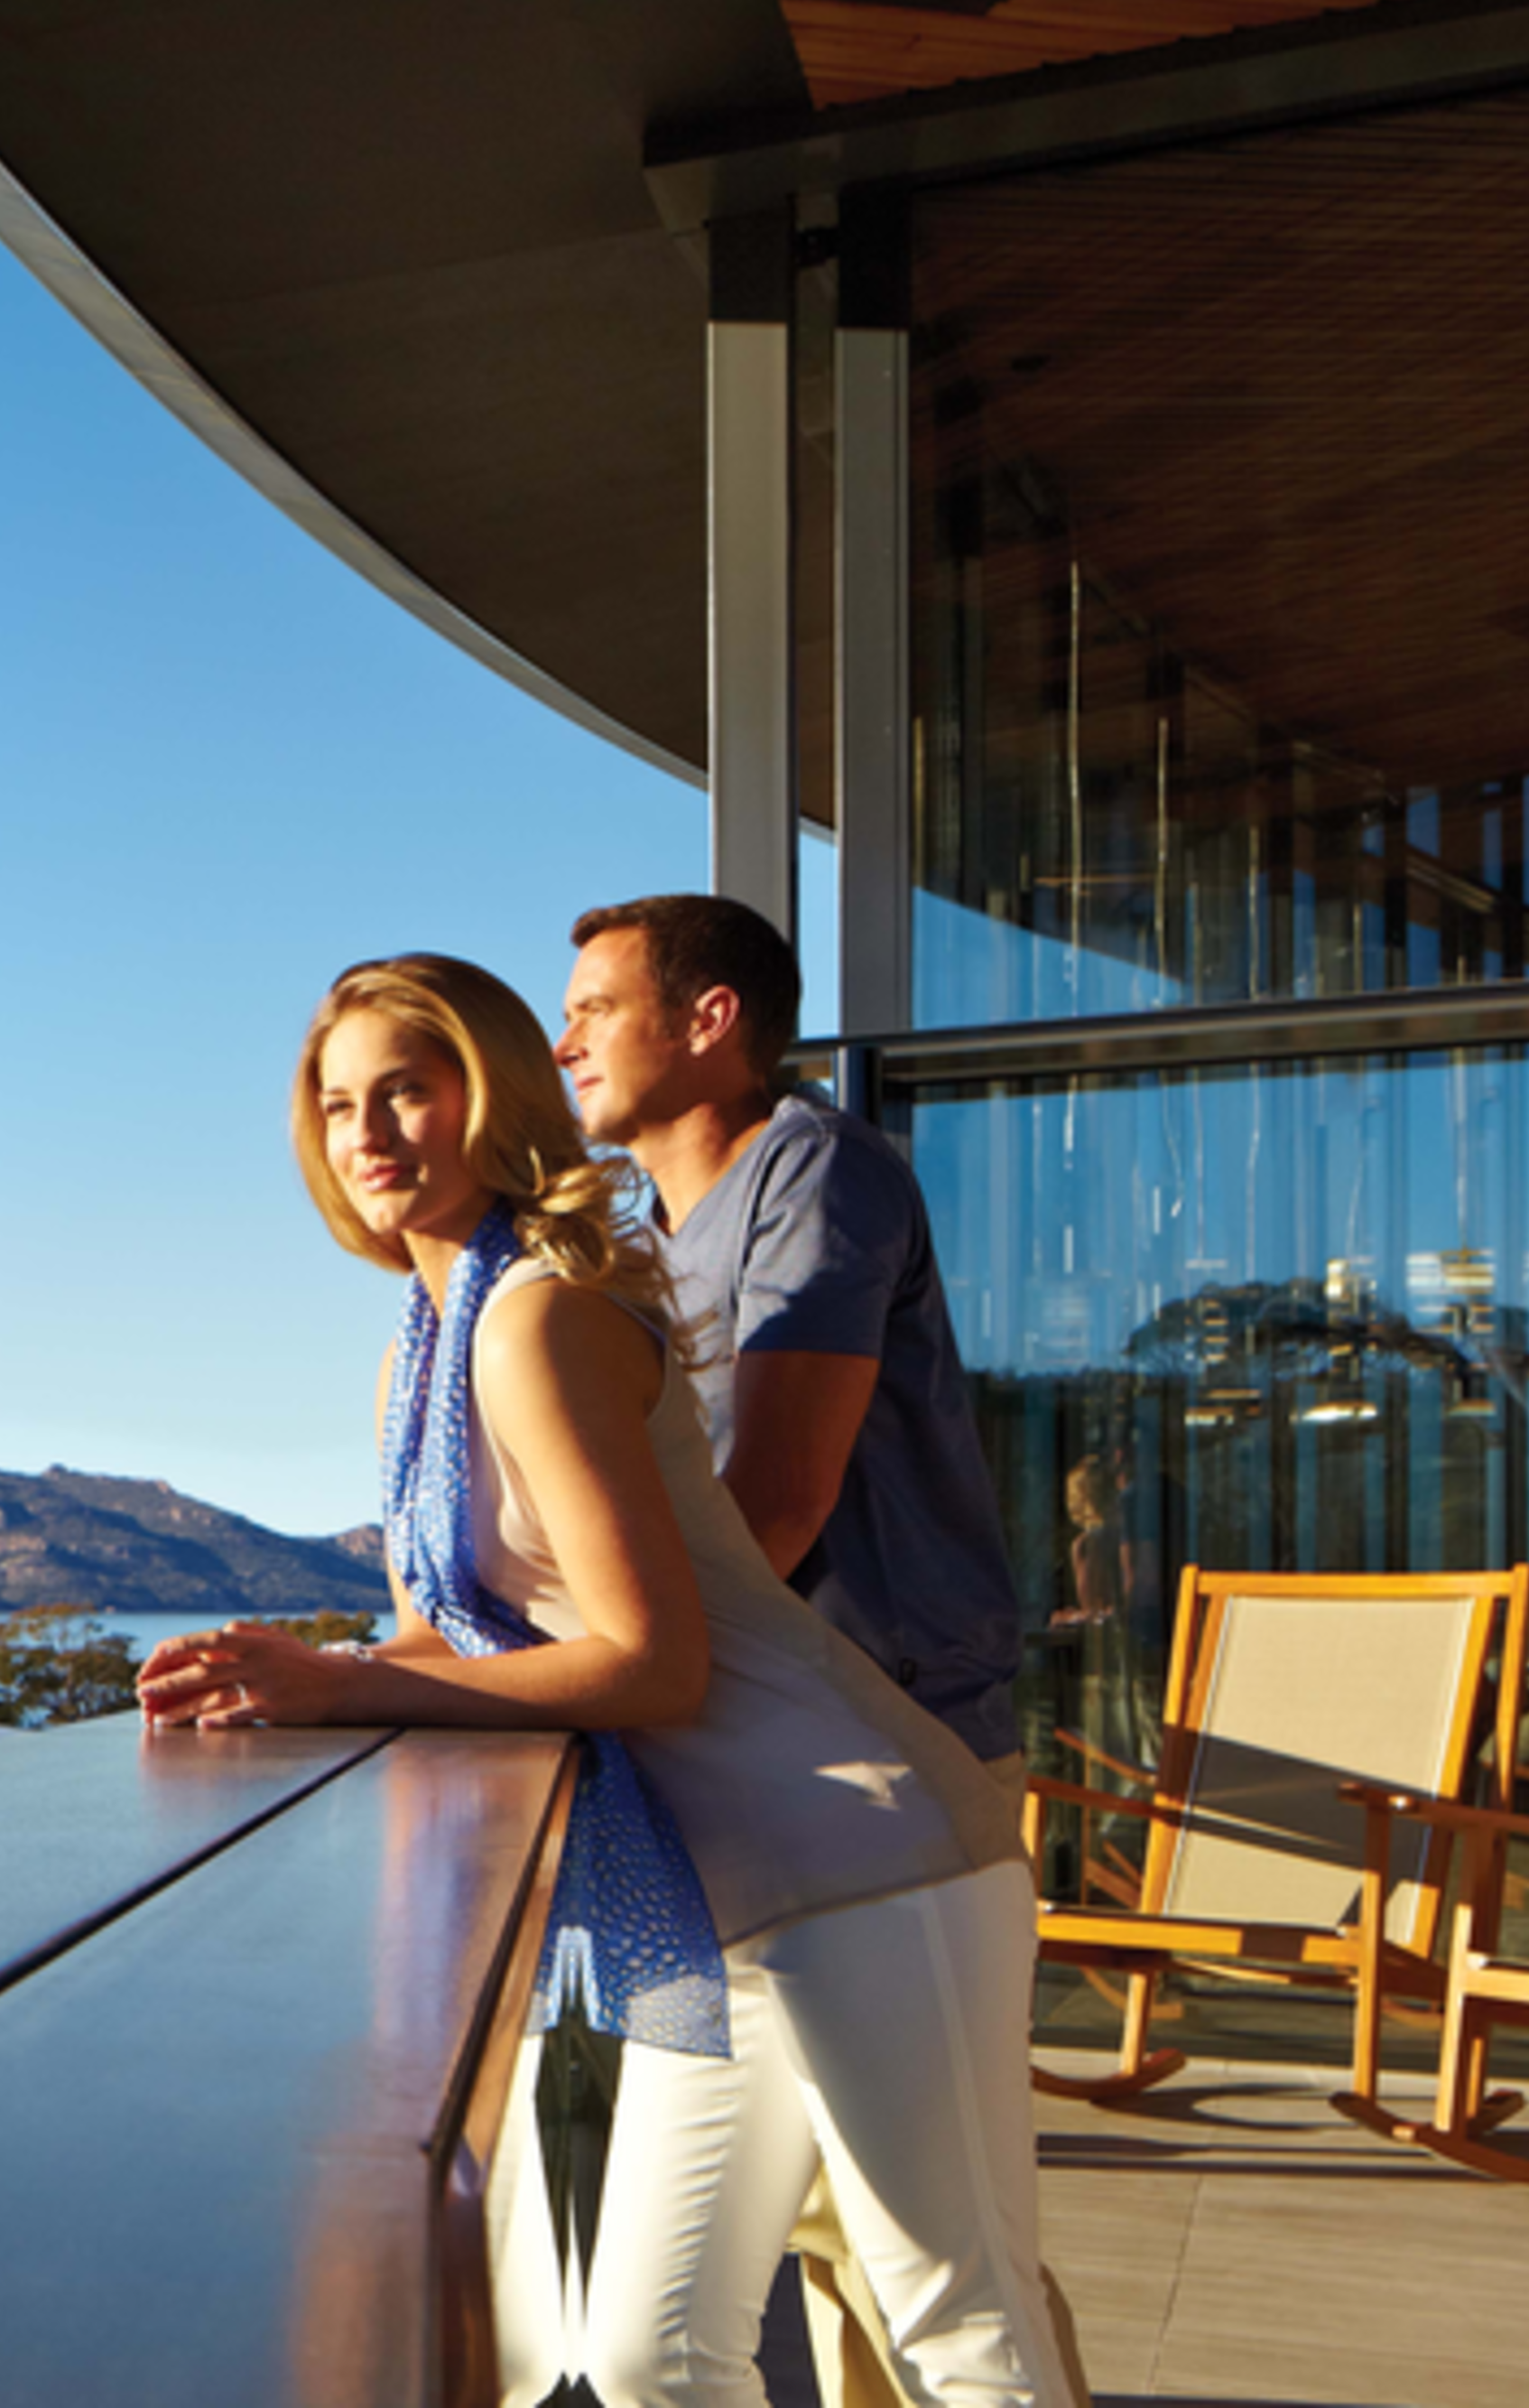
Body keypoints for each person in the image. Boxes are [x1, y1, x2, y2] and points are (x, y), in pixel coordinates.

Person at [140, 955, 1052, 2408]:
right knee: (641, 2353)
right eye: (336, 1105)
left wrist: (347, 1690)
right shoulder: (427, 1345)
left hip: (864, 1858)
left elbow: (651, 1660)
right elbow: (467, 1631)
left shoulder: (542, 1317)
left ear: (489, 1098)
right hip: (708, 1907)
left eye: (406, 1091)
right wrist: (311, 1671)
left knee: (962, 2332)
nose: (367, 1132)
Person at [554, 897, 1084, 2408]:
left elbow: (771, 1502)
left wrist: (603, 1659)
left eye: (596, 1004)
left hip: (884, 1775)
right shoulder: (641, 1243)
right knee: (675, 2333)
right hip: (729, 1813)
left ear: (710, 1021)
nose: (566, 1036)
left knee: (939, 2291)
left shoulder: (818, 1172)